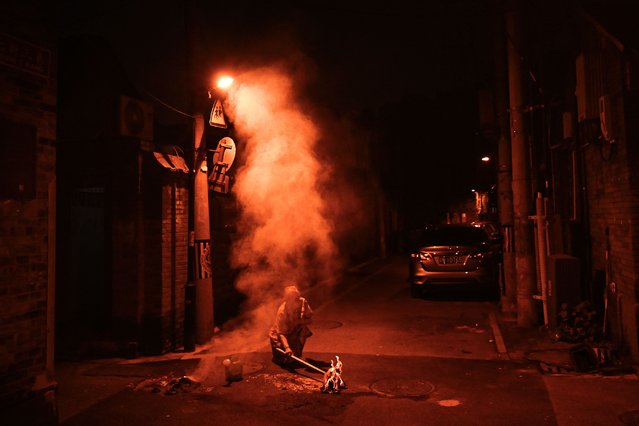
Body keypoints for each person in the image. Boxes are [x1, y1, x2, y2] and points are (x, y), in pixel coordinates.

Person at [269, 285, 313, 366]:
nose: (295, 302)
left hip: (294, 331)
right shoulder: (282, 312)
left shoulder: (302, 303)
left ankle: (298, 354)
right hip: (280, 335)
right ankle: (285, 355)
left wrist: (299, 321)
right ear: (287, 300)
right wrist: (287, 348)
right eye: (292, 299)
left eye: (296, 299)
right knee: (284, 360)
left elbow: (310, 320)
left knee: (303, 330)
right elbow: (281, 333)